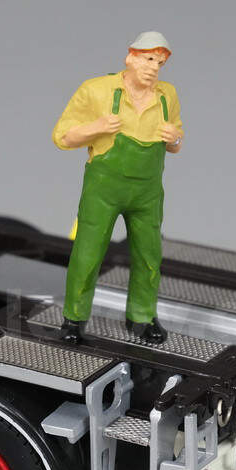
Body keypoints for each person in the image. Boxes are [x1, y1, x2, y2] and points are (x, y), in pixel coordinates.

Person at [52, 31, 184, 344]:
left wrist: (175, 138)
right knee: (87, 254)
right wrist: (96, 127)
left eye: (160, 62)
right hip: (104, 191)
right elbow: (62, 137)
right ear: (130, 57)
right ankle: (74, 319)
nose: (153, 68)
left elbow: (176, 144)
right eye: (148, 59)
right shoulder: (96, 90)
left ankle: (142, 317)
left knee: (149, 256)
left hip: (148, 193)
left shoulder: (167, 95)